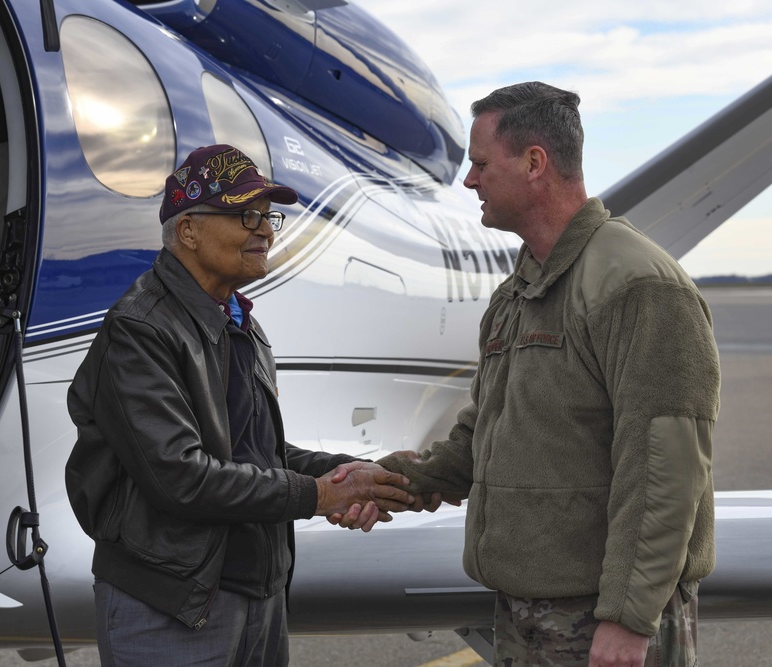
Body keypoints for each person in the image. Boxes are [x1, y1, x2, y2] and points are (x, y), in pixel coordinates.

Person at [372, 82, 721, 666]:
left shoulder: (638, 286)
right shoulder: (519, 292)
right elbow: (484, 435)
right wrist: (400, 480)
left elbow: (665, 469)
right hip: (526, 615)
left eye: (481, 164)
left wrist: (628, 621)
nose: (469, 181)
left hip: (601, 620)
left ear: (535, 163)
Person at [65, 144, 414, 667]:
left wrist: (348, 474)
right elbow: (180, 477)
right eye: (244, 214)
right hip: (175, 605)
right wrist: (317, 495)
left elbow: (257, 451)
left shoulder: (237, 322)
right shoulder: (140, 330)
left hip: (255, 595)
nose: (266, 230)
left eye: (267, 215)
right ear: (189, 231)